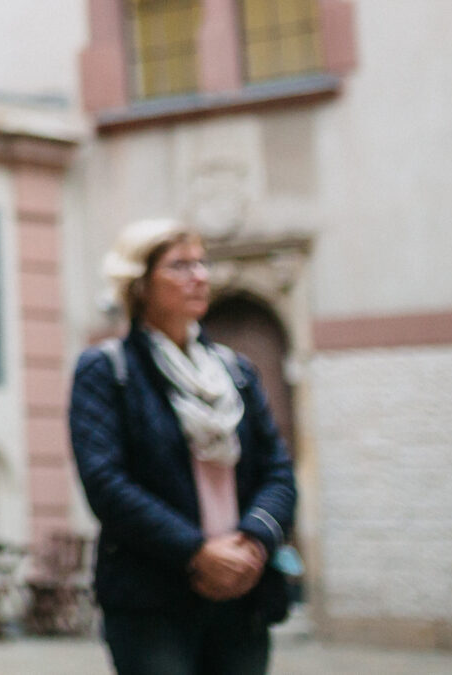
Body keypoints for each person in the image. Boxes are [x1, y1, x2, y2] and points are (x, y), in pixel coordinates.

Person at [68, 219, 295, 675]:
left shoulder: (236, 371)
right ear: (140, 285)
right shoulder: (108, 371)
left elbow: (278, 470)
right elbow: (106, 484)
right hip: (152, 599)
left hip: (242, 592)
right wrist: (197, 552)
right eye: (180, 266)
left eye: (202, 263)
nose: (200, 276)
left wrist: (253, 539)